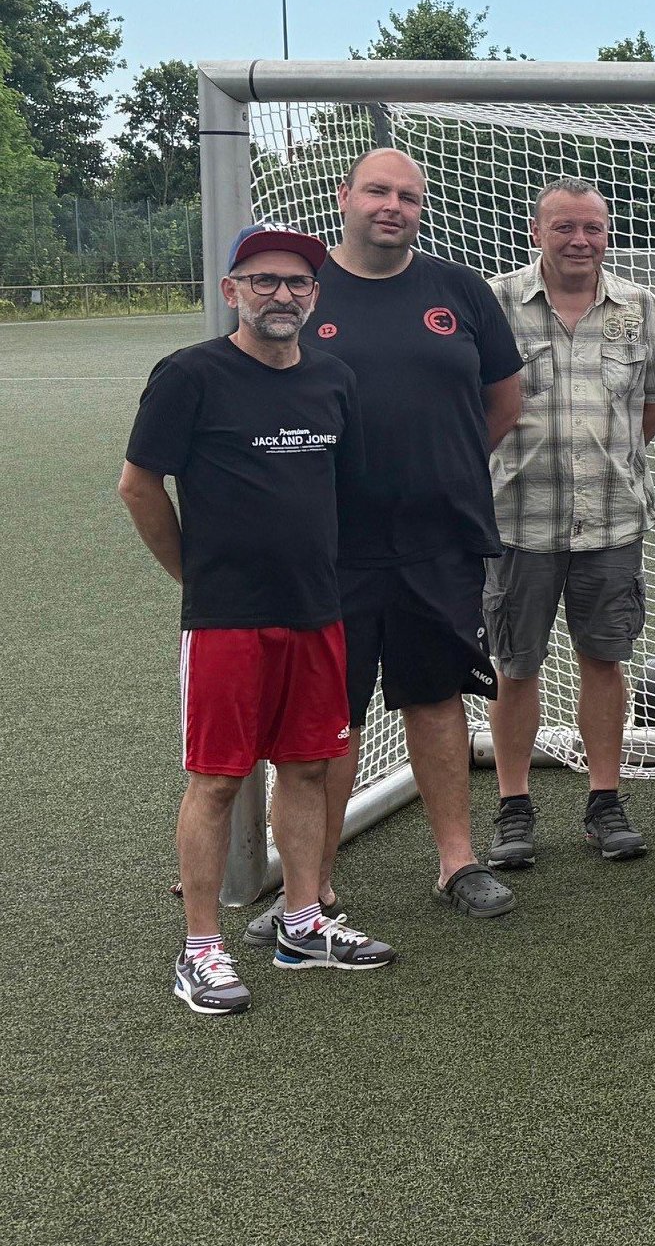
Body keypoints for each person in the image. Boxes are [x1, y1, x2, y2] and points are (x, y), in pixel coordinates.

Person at [123, 225, 394, 1014]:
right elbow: (139, 486)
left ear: (315, 295)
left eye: (298, 282)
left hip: (317, 611)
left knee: (308, 766)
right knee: (217, 780)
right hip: (228, 620)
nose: (282, 294)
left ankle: (304, 921)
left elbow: (341, 493)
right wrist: (195, 577)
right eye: (264, 280)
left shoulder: (334, 379)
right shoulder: (189, 375)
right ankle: (200, 947)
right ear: (231, 290)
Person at [304, 148, 525, 920]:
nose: (391, 205)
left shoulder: (458, 289)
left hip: (440, 540)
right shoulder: (304, 289)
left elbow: (503, 402)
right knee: (332, 714)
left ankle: (456, 862)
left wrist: (444, 468)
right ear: (344, 196)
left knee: (435, 697)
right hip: (329, 546)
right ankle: (314, 882)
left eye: (407, 194)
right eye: (376, 190)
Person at [483, 179, 655, 869]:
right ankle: (514, 807)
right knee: (515, 665)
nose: (580, 241)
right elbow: (470, 399)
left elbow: (654, 403)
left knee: (605, 659)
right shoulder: (495, 302)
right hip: (516, 519)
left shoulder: (639, 305)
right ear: (536, 230)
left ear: (607, 233)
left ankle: (605, 801)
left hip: (610, 520)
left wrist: (613, 460)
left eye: (593, 228)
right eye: (565, 227)